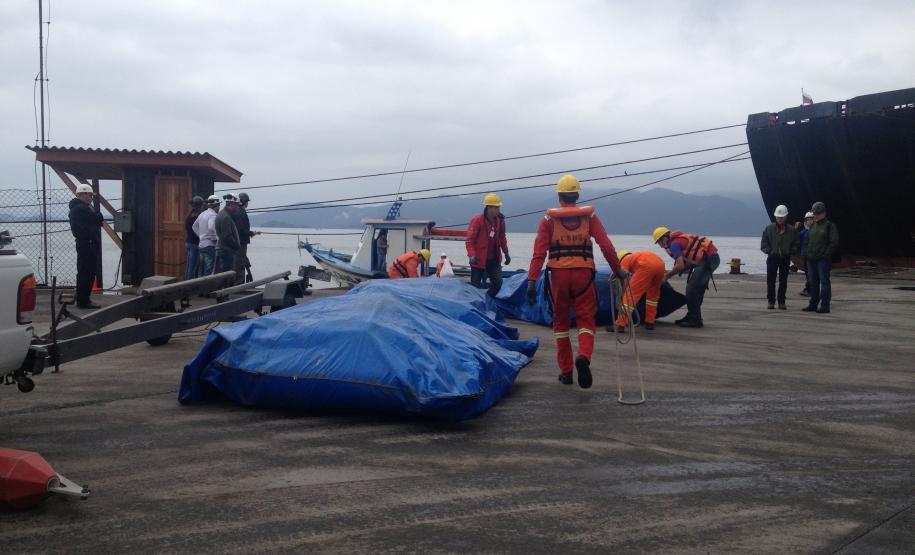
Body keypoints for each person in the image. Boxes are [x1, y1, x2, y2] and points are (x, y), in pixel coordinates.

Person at [527, 175, 626, 389]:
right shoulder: (589, 218)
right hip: (583, 274)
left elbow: (539, 253)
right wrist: (618, 270)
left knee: (561, 323)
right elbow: (606, 246)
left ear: (559, 196)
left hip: (559, 277)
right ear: (577, 195)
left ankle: (566, 371)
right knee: (586, 321)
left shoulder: (548, 221)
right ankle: (584, 356)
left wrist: (532, 281)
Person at [653, 226, 720, 328]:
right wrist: (680, 269)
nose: (661, 246)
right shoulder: (677, 240)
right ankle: (692, 316)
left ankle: (695, 320)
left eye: (659, 242)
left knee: (692, 289)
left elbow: (680, 265)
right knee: (697, 290)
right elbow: (688, 261)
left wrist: (666, 276)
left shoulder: (674, 244)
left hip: (708, 260)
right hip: (711, 258)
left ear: (665, 238)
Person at [466, 193, 510, 297]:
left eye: (499, 207)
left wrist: (506, 253)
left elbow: (502, 238)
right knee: (474, 287)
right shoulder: (476, 221)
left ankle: (487, 299)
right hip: (478, 260)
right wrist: (472, 255)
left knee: (498, 283)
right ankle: (475, 305)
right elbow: (470, 241)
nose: (498, 209)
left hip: (493, 259)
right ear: (489, 208)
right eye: (496, 207)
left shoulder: (500, 221)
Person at [68, 184, 104, 309]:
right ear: (83, 195)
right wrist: (97, 216)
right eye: (90, 195)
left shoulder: (79, 208)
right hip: (87, 244)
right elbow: (98, 218)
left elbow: (96, 220)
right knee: (87, 272)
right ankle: (83, 301)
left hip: (86, 244)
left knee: (85, 271)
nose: (91, 198)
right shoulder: (81, 209)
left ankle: (83, 298)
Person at [612, 250, 666, 331]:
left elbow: (624, 281)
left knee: (630, 295)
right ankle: (650, 322)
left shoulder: (625, 260)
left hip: (646, 266)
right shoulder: (637, 256)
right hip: (660, 265)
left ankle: (620, 324)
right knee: (653, 297)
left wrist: (622, 294)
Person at [802, 201, 839, 314]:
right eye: (815, 213)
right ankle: (813, 304)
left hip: (822, 260)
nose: (816, 215)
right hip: (811, 259)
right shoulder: (813, 226)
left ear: (824, 213)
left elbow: (834, 242)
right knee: (813, 282)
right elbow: (807, 240)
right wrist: (808, 253)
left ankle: (824, 305)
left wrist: (826, 255)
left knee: (824, 282)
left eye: (818, 213)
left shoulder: (829, 226)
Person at [761, 204, 799, 310]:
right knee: (770, 280)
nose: (780, 219)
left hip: (785, 259)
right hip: (772, 258)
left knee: (783, 281)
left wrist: (790, 252)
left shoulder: (792, 230)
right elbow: (764, 244)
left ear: (786, 217)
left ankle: (781, 301)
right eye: (778, 217)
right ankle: (771, 301)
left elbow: (796, 243)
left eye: (782, 217)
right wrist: (771, 251)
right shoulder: (769, 229)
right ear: (775, 217)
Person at [215, 193, 242, 285]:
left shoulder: (222, 214)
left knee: (223, 272)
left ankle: (223, 292)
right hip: (226, 249)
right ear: (232, 204)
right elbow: (227, 237)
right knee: (226, 273)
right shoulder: (226, 217)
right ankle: (224, 294)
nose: (238, 207)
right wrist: (236, 246)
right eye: (237, 205)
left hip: (223, 247)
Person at [231, 192, 257, 284]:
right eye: (247, 201)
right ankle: (239, 284)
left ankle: (236, 283)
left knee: (238, 263)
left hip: (237, 242)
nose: (247, 203)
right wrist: (251, 233)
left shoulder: (236, 212)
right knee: (240, 264)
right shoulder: (241, 213)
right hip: (241, 243)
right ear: (244, 202)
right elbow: (240, 230)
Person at [192, 195, 220, 276]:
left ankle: (199, 286)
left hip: (201, 245)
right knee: (209, 269)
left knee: (201, 268)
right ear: (216, 205)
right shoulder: (213, 215)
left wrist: (200, 236)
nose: (219, 207)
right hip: (210, 245)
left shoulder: (202, 214)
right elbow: (211, 227)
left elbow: (194, 226)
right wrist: (214, 238)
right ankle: (206, 287)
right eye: (218, 205)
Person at [794, 211, 815, 296]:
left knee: (811, 273)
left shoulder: (815, 231)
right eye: (807, 219)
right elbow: (796, 237)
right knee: (808, 273)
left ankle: (809, 289)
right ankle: (809, 289)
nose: (808, 221)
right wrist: (795, 229)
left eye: (811, 219)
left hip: (812, 256)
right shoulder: (804, 232)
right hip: (805, 255)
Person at [184, 196, 204, 280]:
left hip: (189, 242)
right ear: (199, 205)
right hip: (195, 243)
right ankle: (190, 284)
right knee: (193, 266)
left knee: (189, 265)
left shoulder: (189, 216)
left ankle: (186, 282)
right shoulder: (196, 217)